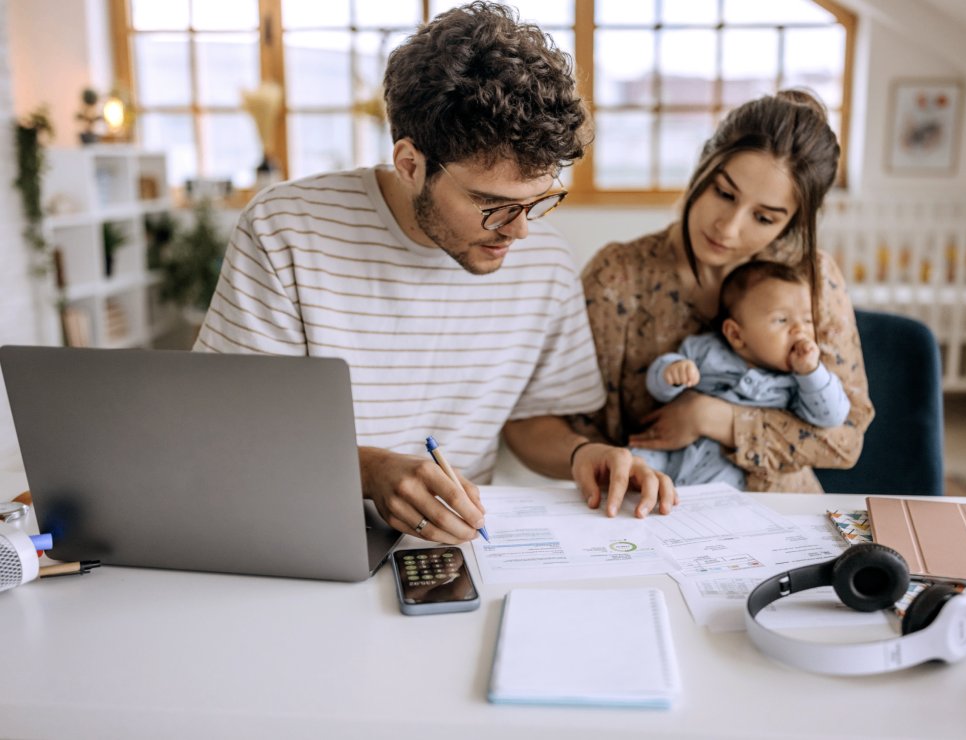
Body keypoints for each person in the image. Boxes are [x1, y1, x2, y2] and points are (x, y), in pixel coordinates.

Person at [193, 2, 675, 545]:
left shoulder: (544, 260)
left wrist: (584, 454)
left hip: (459, 546)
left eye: (539, 200)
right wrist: (371, 472)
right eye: (492, 204)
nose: (519, 232)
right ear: (409, 164)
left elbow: (530, 420)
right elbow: (232, 430)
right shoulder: (288, 229)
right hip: (303, 530)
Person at [574, 89, 875, 500]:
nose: (728, 228)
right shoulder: (618, 276)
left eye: (764, 217)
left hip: (781, 515)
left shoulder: (813, 278)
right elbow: (572, 430)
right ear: (703, 165)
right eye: (724, 193)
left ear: (790, 224)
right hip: (650, 508)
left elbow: (845, 440)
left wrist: (714, 417)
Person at [633, 260, 850, 489]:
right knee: (635, 462)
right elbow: (657, 389)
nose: (800, 330)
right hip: (672, 451)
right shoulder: (706, 350)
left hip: (726, 465)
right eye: (781, 320)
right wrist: (671, 372)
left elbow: (832, 417)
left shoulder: (797, 382)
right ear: (736, 335)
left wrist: (811, 372)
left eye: (808, 320)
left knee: (721, 492)